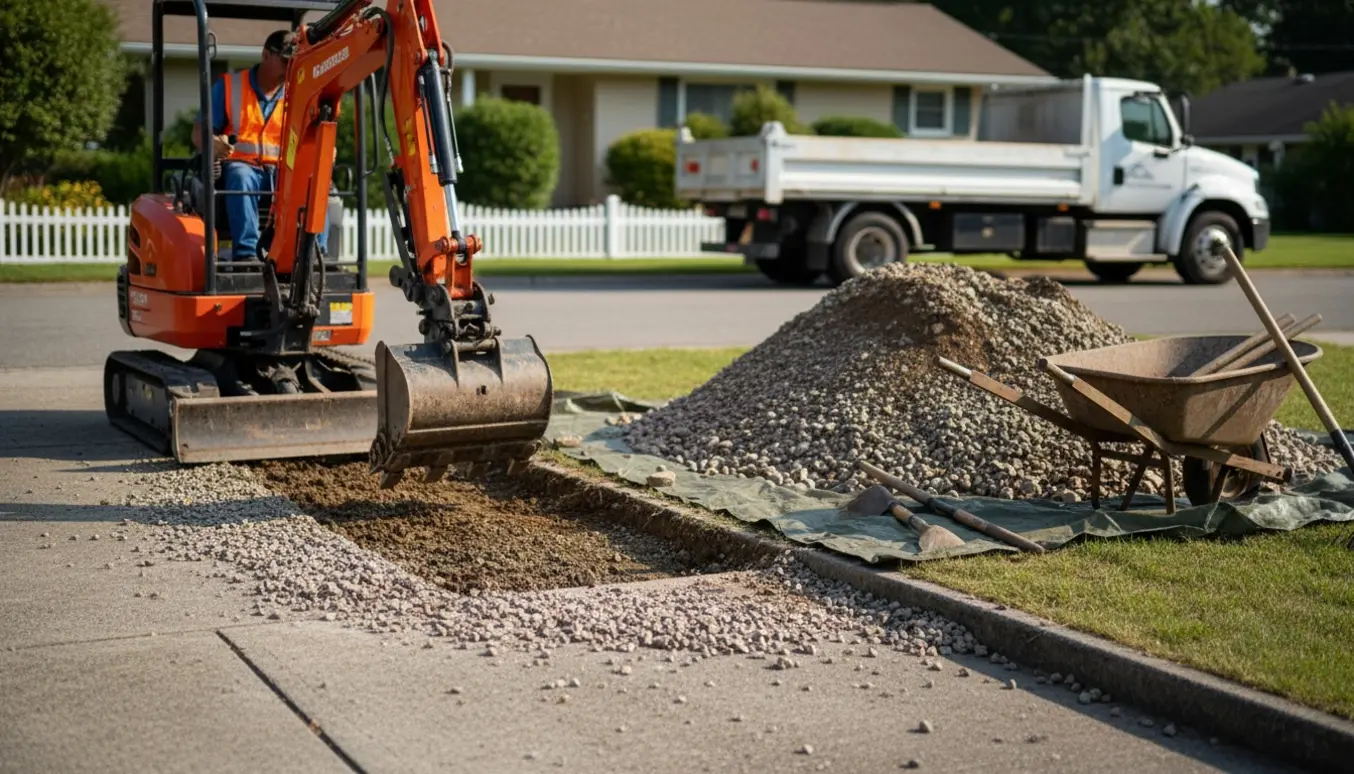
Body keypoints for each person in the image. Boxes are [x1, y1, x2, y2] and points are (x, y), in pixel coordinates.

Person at [193, 30, 328, 261]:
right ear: (266, 55)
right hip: (243, 170)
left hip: (284, 173)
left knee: (316, 180)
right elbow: (197, 133)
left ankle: (314, 256)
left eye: (294, 63)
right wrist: (212, 142)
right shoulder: (230, 87)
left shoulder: (300, 92)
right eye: (286, 62)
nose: (290, 69)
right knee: (241, 175)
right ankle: (247, 254)